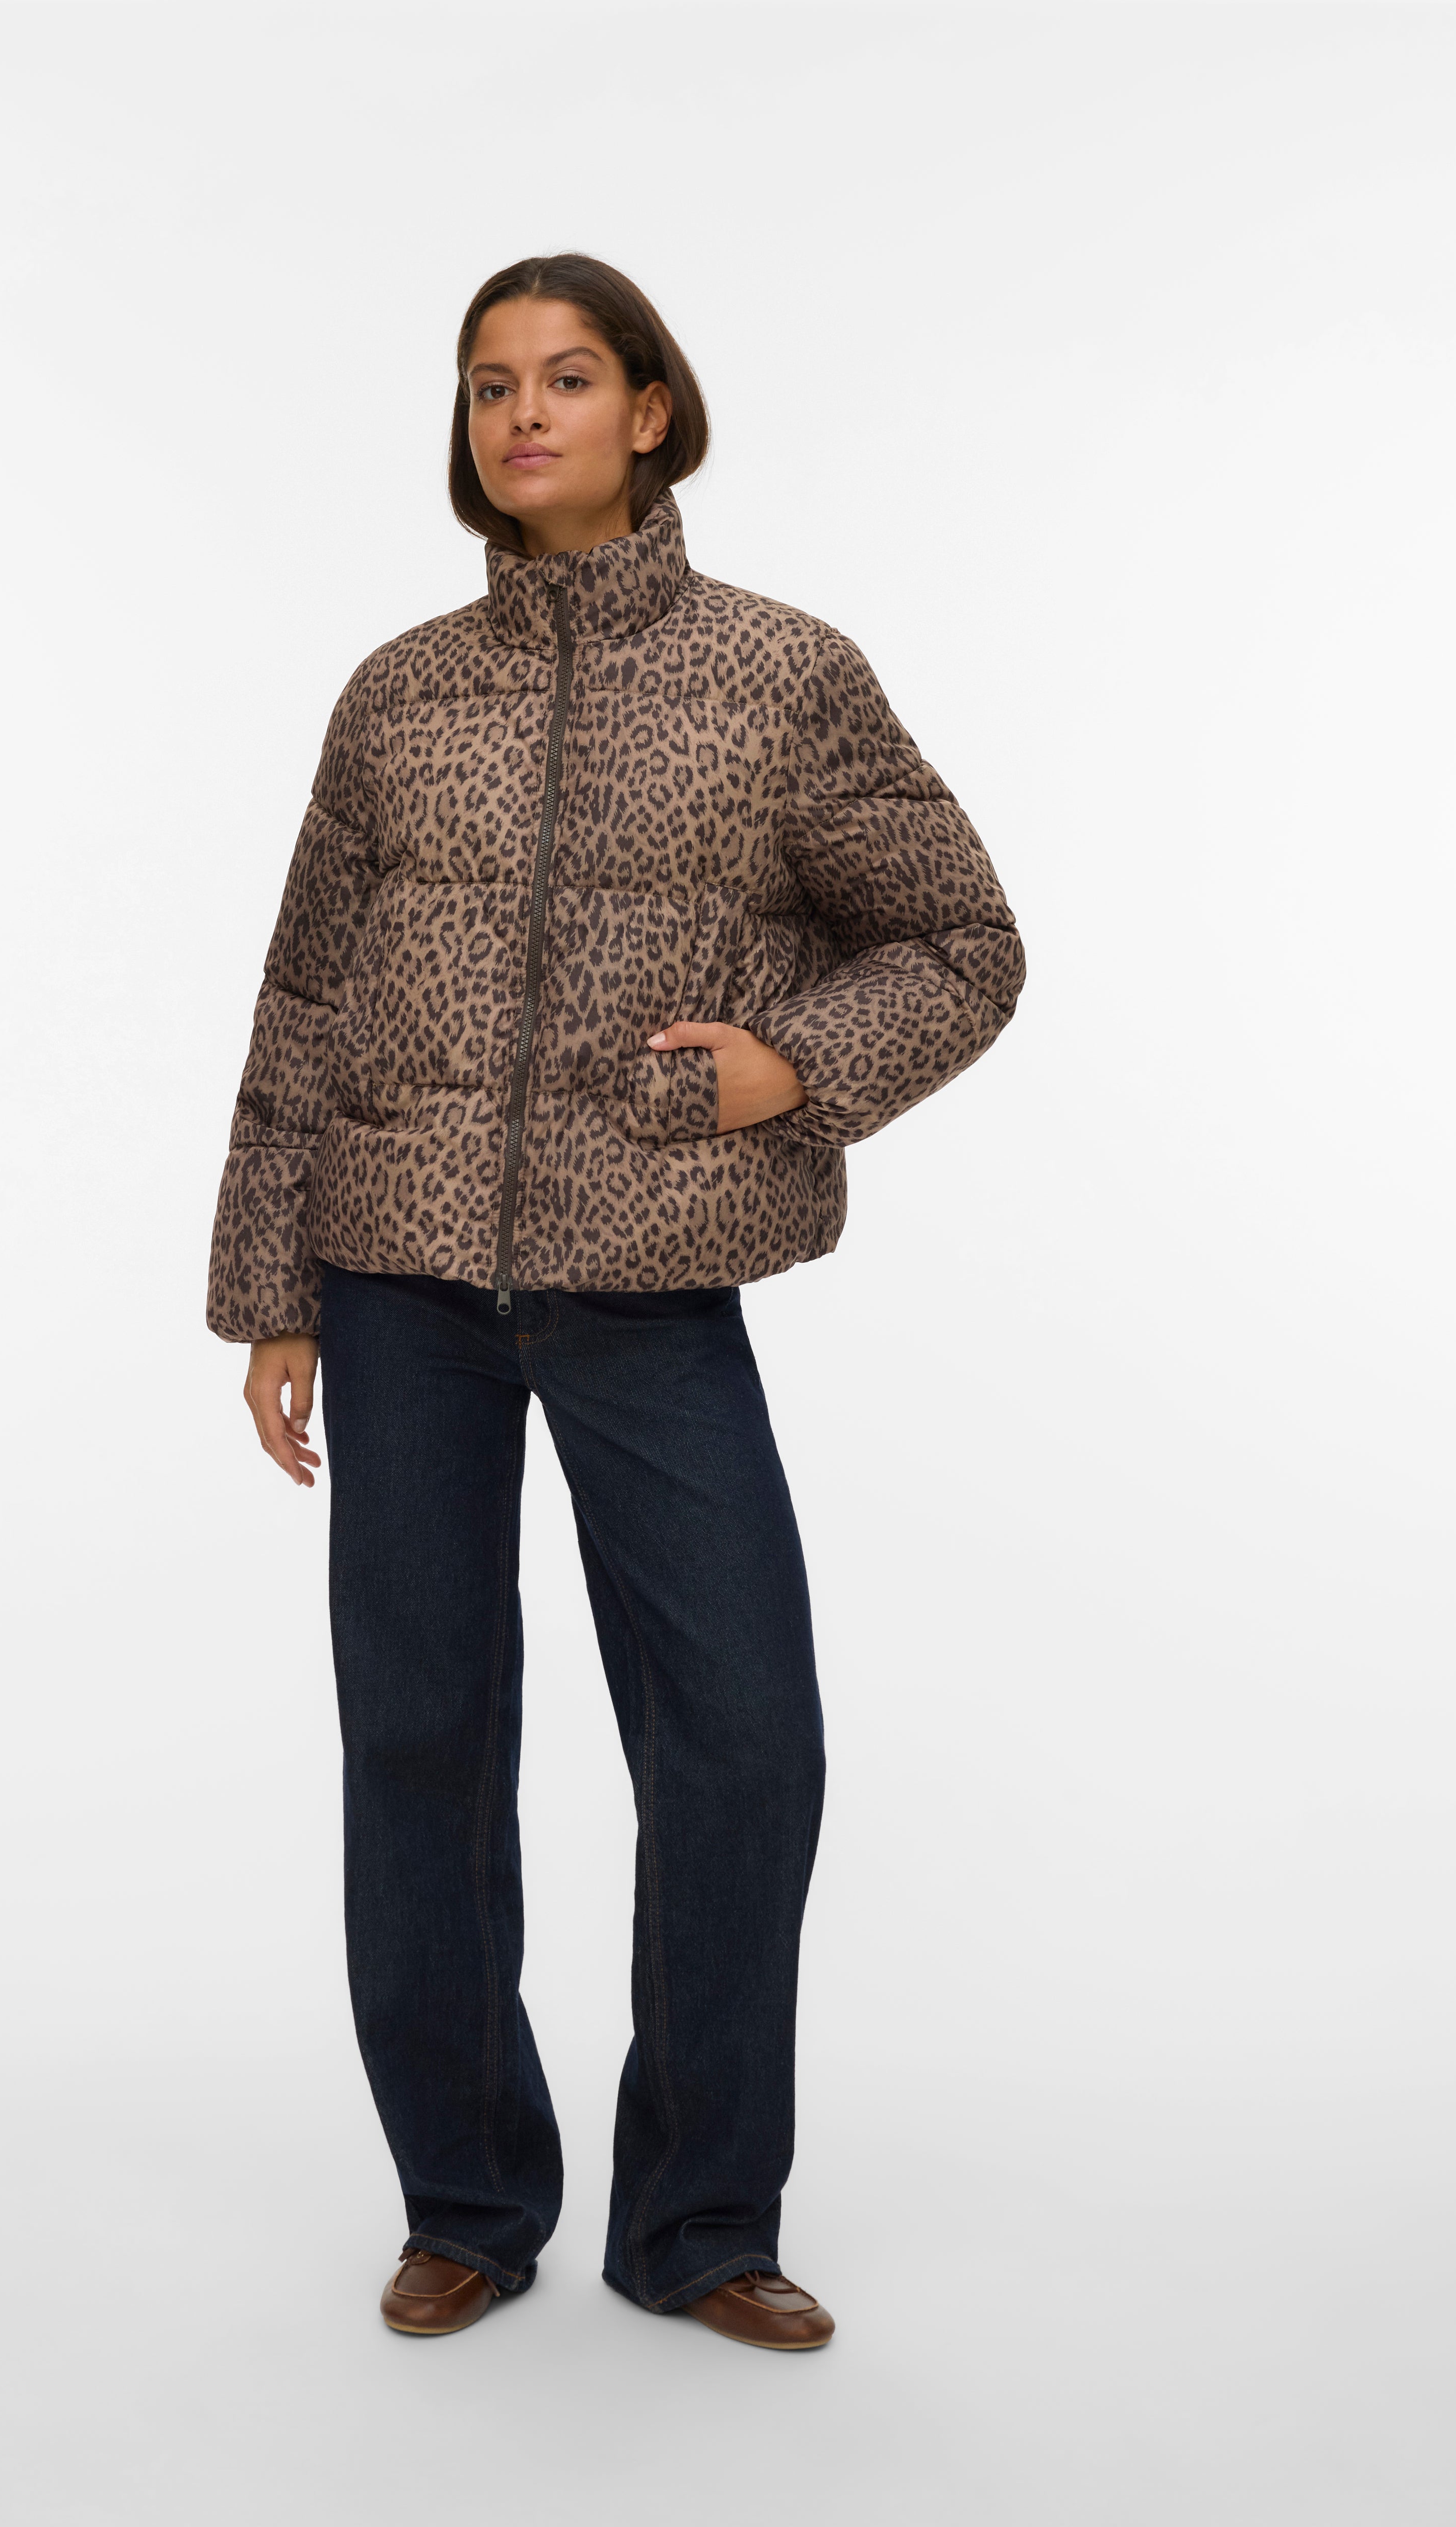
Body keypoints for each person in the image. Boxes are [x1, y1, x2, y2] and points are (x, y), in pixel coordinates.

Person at [206, 254, 1025, 2351]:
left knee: (742, 1739)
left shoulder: (781, 676)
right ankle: (467, 2200)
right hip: (394, 1279)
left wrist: (787, 1069)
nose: (523, 415)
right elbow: (303, 997)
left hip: (647, 1278)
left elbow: (959, 942)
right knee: (418, 1736)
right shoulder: (397, 694)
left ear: (650, 410)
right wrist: (272, 1288)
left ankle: (698, 2220)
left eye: (566, 378)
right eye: (490, 384)